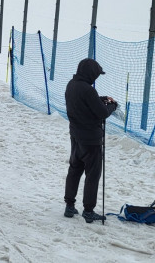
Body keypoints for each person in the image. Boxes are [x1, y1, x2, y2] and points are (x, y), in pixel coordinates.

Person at [63, 58, 118, 223]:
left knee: (74, 170)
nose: (96, 78)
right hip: (91, 140)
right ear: (90, 74)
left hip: (76, 136)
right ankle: (88, 210)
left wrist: (100, 98)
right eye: (96, 75)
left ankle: (69, 206)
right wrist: (112, 105)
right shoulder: (88, 90)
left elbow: (84, 102)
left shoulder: (72, 84)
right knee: (92, 175)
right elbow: (102, 113)